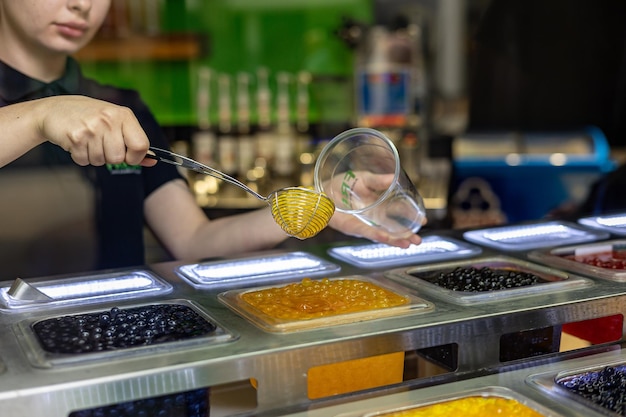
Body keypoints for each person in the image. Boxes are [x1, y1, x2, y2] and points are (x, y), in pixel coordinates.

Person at [0, 0, 421, 279]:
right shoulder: (58, 112)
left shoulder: (122, 110)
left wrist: (316, 205)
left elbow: (193, 240)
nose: (82, 4)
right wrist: (41, 115)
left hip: (118, 349)